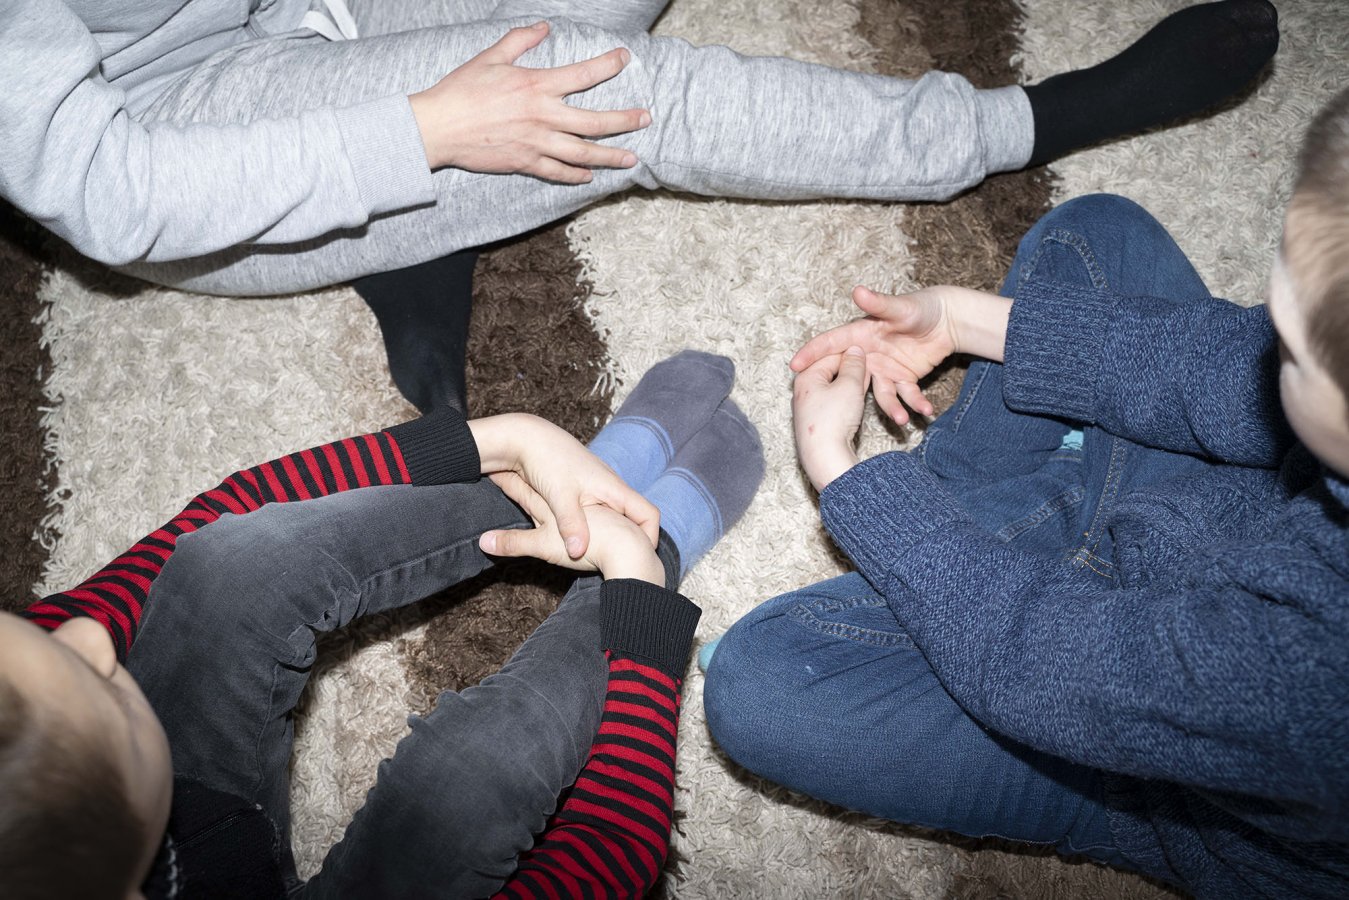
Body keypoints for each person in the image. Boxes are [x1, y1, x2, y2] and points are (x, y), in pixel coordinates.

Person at [701, 88, 1349, 899]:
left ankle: (981, 535)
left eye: (1286, 353)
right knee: (1092, 236)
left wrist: (843, 470)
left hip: (1161, 772)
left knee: (762, 686)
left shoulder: (1312, 680)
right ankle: (999, 528)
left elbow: (1049, 662)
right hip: (1224, 519)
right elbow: (1220, 359)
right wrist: (958, 320)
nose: (1264, 347)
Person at [2, 350, 764, 898]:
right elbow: (608, 854)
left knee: (224, 566)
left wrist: (499, 438)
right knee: (475, 772)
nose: (84, 633)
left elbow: (209, 526)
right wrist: (638, 592)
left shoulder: (39, 665)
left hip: (162, 831)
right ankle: (650, 544)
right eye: (103, 686)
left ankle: (577, 489)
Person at [1, 0, 1279, 299]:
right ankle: (1026, 123)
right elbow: (117, 193)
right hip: (177, 126)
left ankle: (428, 230)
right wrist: (427, 130)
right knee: (611, 89)